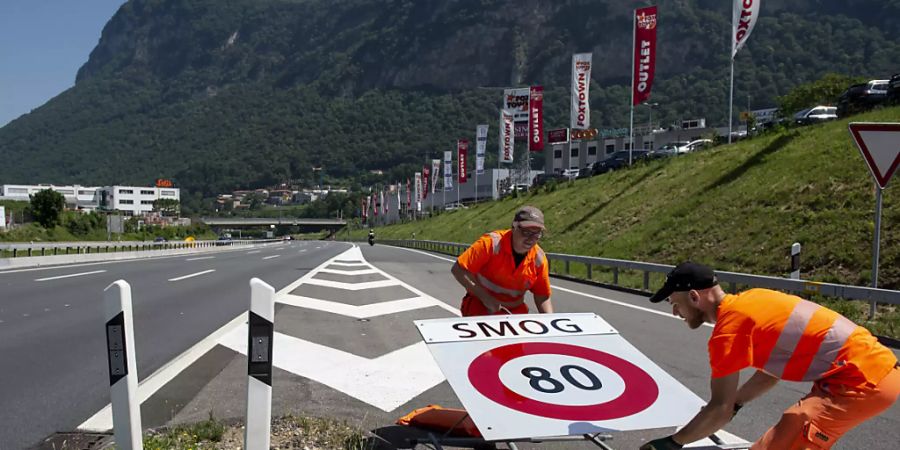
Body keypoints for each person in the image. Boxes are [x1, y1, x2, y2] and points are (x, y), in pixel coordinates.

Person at [640, 261, 900, 450]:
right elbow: (771, 372)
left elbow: (719, 408)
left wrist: (672, 443)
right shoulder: (752, 300)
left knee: (786, 435)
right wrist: (737, 402)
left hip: (859, 381)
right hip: (877, 370)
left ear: (695, 297)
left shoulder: (728, 333)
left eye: (676, 304)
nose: (676, 312)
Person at [451, 205, 553, 316]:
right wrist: (486, 298)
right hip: (480, 307)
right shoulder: (491, 244)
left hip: (514, 312)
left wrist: (550, 322)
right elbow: (459, 270)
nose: (531, 239)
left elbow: (542, 296)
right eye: (526, 232)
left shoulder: (539, 258)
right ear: (514, 227)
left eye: (537, 234)